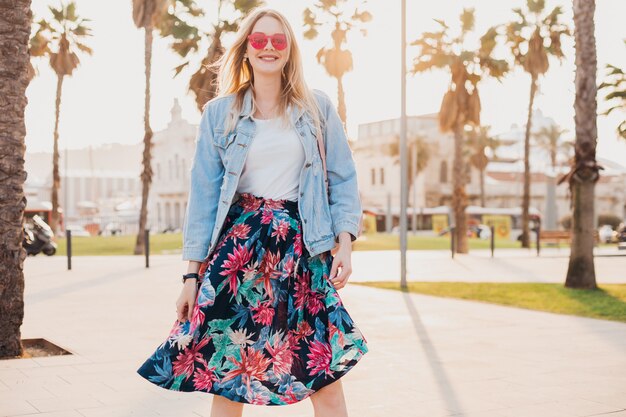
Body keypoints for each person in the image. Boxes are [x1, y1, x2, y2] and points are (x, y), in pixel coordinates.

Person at [136, 7, 368, 416]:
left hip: (302, 253)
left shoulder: (317, 107)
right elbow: (204, 201)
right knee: (228, 380)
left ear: (289, 50)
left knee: (325, 377)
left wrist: (345, 244)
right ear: (245, 49)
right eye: (258, 40)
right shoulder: (219, 114)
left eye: (278, 41)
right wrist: (191, 276)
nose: (268, 48)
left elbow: (343, 179)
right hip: (239, 256)